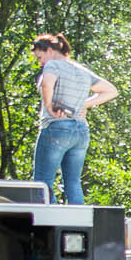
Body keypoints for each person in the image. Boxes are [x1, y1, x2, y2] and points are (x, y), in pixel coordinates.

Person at [28, 33, 117, 205]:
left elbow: (47, 84)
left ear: (49, 50)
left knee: (42, 183)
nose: (40, 63)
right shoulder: (80, 70)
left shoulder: (53, 65)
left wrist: (49, 106)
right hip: (81, 131)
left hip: (56, 128)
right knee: (73, 182)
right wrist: (85, 104)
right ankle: (78, 225)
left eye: (40, 57)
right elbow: (111, 91)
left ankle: (50, 225)